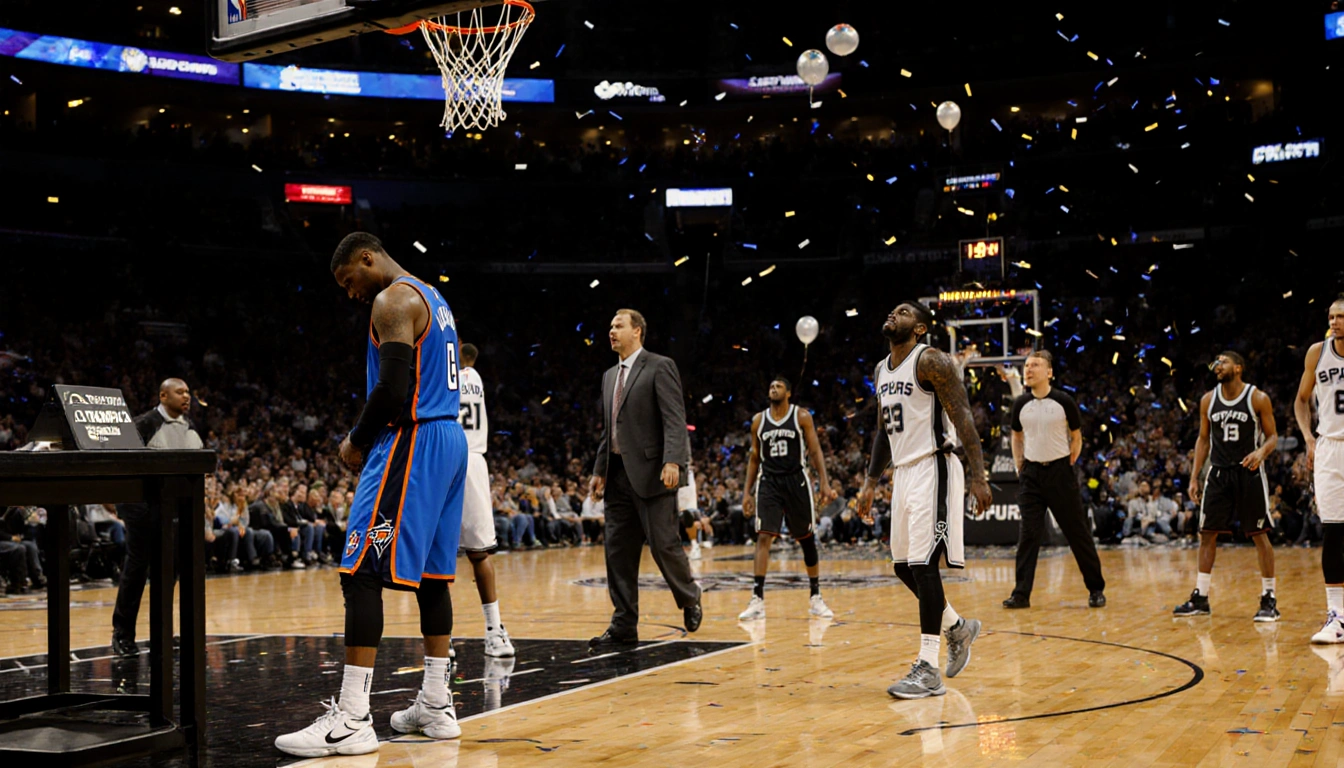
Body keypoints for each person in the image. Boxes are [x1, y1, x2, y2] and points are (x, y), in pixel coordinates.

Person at [276, 232, 469, 756]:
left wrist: (356, 440)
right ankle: (435, 703)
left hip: (412, 440)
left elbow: (394, 389)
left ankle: (353, 718)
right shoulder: (435, 297)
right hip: (451, 442)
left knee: (361, 571)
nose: (350, 293)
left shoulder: (393, 299)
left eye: (348, 280)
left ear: (367, 259)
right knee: (434, 576)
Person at [857, 302, 992, 700]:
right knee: (903, 567)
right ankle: (957, 627)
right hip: (903, 472)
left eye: (902, 312)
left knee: (924, 565)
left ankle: (928, 668)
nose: (892, 314)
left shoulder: (931, 360)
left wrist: (979, 475)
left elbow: (963, 415)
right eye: (891, 310)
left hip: (936, 466)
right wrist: (869, 481)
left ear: (919, 329)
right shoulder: (881, 370)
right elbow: (884, 430)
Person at [588, 308, 701, 650]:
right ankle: (623, 624)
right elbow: (611, 430)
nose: (612, 330)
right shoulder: (609, 376)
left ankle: (689, 596)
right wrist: (598, 469)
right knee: (617, 552)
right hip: (618, 475)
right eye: (610, 325)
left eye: (618, 325)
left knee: (664, 546)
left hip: (654, 473)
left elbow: (674, 418)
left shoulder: (659, 365)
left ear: (637, 331)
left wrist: (673, 461)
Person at [1174, 352, 1280, 621]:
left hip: (1249, 472)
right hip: (1218, 473)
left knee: (1259, 534)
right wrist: (1194, 476)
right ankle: (1201, 597)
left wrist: (1261, 453)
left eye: (1223, 362)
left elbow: (1273, 437)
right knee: (1207, 534)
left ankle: (1269, 598)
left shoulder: (1257, 398)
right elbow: (1203, 439)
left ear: (1239, 367)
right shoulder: (1208, 400)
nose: (1217, 366)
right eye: (1216, 363)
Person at [1003, 350, 1106, 610]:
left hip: (1060, 473)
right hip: (1031, 476)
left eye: (1035, 365)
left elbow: (1077, 435)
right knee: (1028, 535)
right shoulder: (1020, 404)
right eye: (1026, 365)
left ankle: (1095, 589)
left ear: (1049, 372)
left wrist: (1070, 460)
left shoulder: (1064, 401)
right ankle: (1021, 594)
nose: (1028, 369)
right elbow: (1016, 437)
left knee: (1077, 533)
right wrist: (1019, 465)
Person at [110, 378, 203, 659]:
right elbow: (124, 465)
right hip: (142, 510)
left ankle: (162, 633)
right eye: (180, 392)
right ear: (163, 395)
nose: (186, 396)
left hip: (173, 511)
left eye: (188, 391)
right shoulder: (144, 424)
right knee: (137, 570)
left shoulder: (190, 426)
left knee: (170, 573)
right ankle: (122, 635)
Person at [738, 377, 837, 621]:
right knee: (763, 537)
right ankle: (757, 598)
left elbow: (815, 450)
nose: (773, 388)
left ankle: (815, 596)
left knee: (806, 539)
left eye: (778, 386)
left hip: (796, 480)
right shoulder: (759, 421)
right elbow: (753, 458)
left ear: (789, 392)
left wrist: (824, 482)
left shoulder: (801, 416)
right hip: (769, 482)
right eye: (771, 386)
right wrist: (746, 492)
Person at [455, 342, 516, 658]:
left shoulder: (445, 372)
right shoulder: (475, 377)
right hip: (472, 461)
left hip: (456, 459)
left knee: (455, 554)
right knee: (477, 554)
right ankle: (493, 631)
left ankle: (448, 638)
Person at [1297, 298, 1344, 644]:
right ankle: (1336, 617)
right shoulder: (1317, 352)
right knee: (1333, 532)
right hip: (1329, 448)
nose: (1336, 322)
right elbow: (1301, 400)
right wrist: (1308, 437)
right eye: (1332, 316)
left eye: (1341, 316)